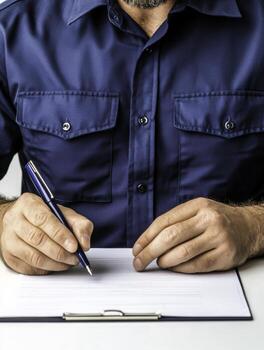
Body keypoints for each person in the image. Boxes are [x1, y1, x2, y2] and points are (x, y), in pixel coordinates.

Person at [0, 0, 264, 276]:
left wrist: (253, 228)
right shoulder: (11, 32)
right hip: (63, 297)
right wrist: (5, 222)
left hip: (235, 305)